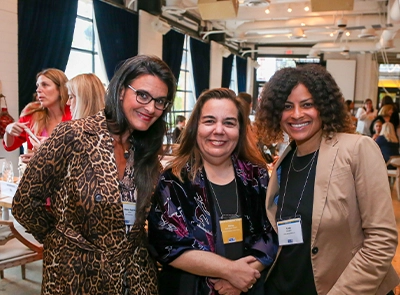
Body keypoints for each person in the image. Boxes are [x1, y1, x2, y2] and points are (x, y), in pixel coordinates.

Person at [12, 55, 176, 295]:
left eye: (160, 101)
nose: (151, 108)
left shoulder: (146, 150)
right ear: (120, 91)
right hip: (76, 276)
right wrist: (62, 240)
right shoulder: (74, 135)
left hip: (135, 277)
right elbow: (25, 203)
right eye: (142, 95)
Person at [254, 64, 399, 295]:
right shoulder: (287, 158)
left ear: (324, 106)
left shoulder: (357, 150)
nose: (297, 114)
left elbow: (381, 241)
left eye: (308, 104)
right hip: (287, 284)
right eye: (287, 106)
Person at [148, 88, 278, 295]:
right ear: (195, 127)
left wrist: (244, 276)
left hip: (249, 287)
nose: (219, 130)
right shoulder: (174, 179)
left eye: (229, 123)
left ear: (240, 129)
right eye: (209, 121)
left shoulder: (256, 175)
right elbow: (167, 244)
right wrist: (230, 271)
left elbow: (273, 231)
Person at [3, 68, 71, 162]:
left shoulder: (75, 114)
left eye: (45, 85)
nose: (38, 90)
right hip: (37, 175)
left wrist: (42, 157)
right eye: (37, 86)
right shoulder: (32, 113)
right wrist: (8, 130)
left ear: (60, 89)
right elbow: (9, 146)